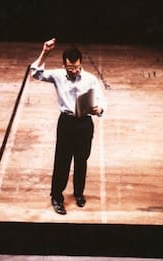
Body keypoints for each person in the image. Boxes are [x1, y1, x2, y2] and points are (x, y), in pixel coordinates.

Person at [30, 38, 107, 215]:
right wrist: (45, 52)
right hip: (66, 123)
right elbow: (35, 72)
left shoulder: (90, 79)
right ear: (64, 65)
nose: (74, 71)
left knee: (82, 160)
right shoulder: (57, 75)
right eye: (70, 68)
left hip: (84, 124)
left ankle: (79, 193)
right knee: (62, 161)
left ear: (81, 64)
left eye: (77, 67)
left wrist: (99, 108)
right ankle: (57, 196)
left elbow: (102, 99)